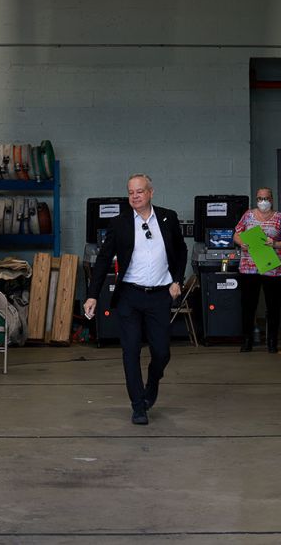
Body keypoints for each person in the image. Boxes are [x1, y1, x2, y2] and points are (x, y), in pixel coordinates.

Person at [83, 174, 187, 426]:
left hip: (160, 295)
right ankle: (138, 405)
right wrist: (92, 295)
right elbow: (104, 260)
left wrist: (177, 280)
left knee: (161, 353)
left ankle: (152, 384)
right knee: (130, 351)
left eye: (139, 191)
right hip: (129, 295)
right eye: (131, 192)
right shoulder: (119, 223)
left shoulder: (167, 217)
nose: (135, 196)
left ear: (151, 192)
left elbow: (181, 250)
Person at [233, 187, 281, 353]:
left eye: (265, 198)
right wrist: (241, 242)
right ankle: (247, 341)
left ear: (271, 199)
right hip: (249, 268)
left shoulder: (280, 217)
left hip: (273, 269)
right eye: (259, 198)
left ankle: (272, 342)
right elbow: (236, 234)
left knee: (273, 307)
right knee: (248, 306)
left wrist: (274, 244)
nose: (263, 201)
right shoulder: (248, 216)